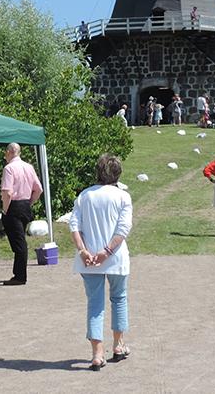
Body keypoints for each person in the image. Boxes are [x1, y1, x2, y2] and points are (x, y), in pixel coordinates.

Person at [69, 154, 133, 371]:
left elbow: (74, 226)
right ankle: (118, 344)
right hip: (115, 258)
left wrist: (83, 250)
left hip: (89, 260)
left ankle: (97, 353)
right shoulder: (123, 197)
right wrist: (106, 252)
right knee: (119, 298)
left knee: (95, 303)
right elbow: (123, 229)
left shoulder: (84, 196)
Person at [0, 142, 43, 285]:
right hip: (25, 204)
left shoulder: (9, 168)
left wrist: (5, 209)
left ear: (9, 152)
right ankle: (18, 273)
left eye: (5, 153)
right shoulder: (29, 167)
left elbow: (7, 192)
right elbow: (38, 189)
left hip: (14, 206)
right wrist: (29, 203)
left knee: (19, 243)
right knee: (20, 240)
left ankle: (20, 276)